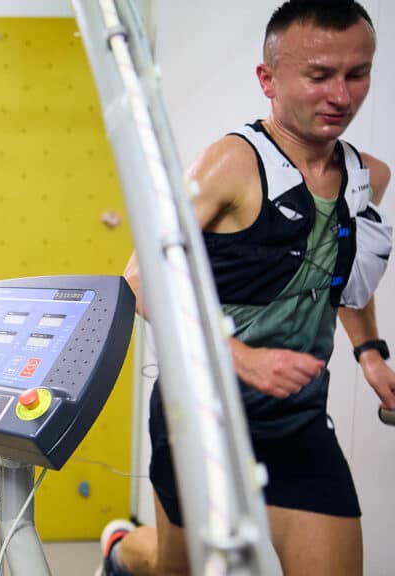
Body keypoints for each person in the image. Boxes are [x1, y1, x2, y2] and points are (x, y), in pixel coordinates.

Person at [99, 1, 395, 575]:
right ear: (268, 79)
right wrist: (240, 357)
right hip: (202, 416)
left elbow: (340, 273)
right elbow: (139, 281)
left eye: (356, 74)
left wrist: (371, 353)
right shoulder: (227, 166)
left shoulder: (367, 177)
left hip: (297, 419)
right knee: (172, 569)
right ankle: (120, 550)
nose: (341, 95)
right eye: (318, 76)